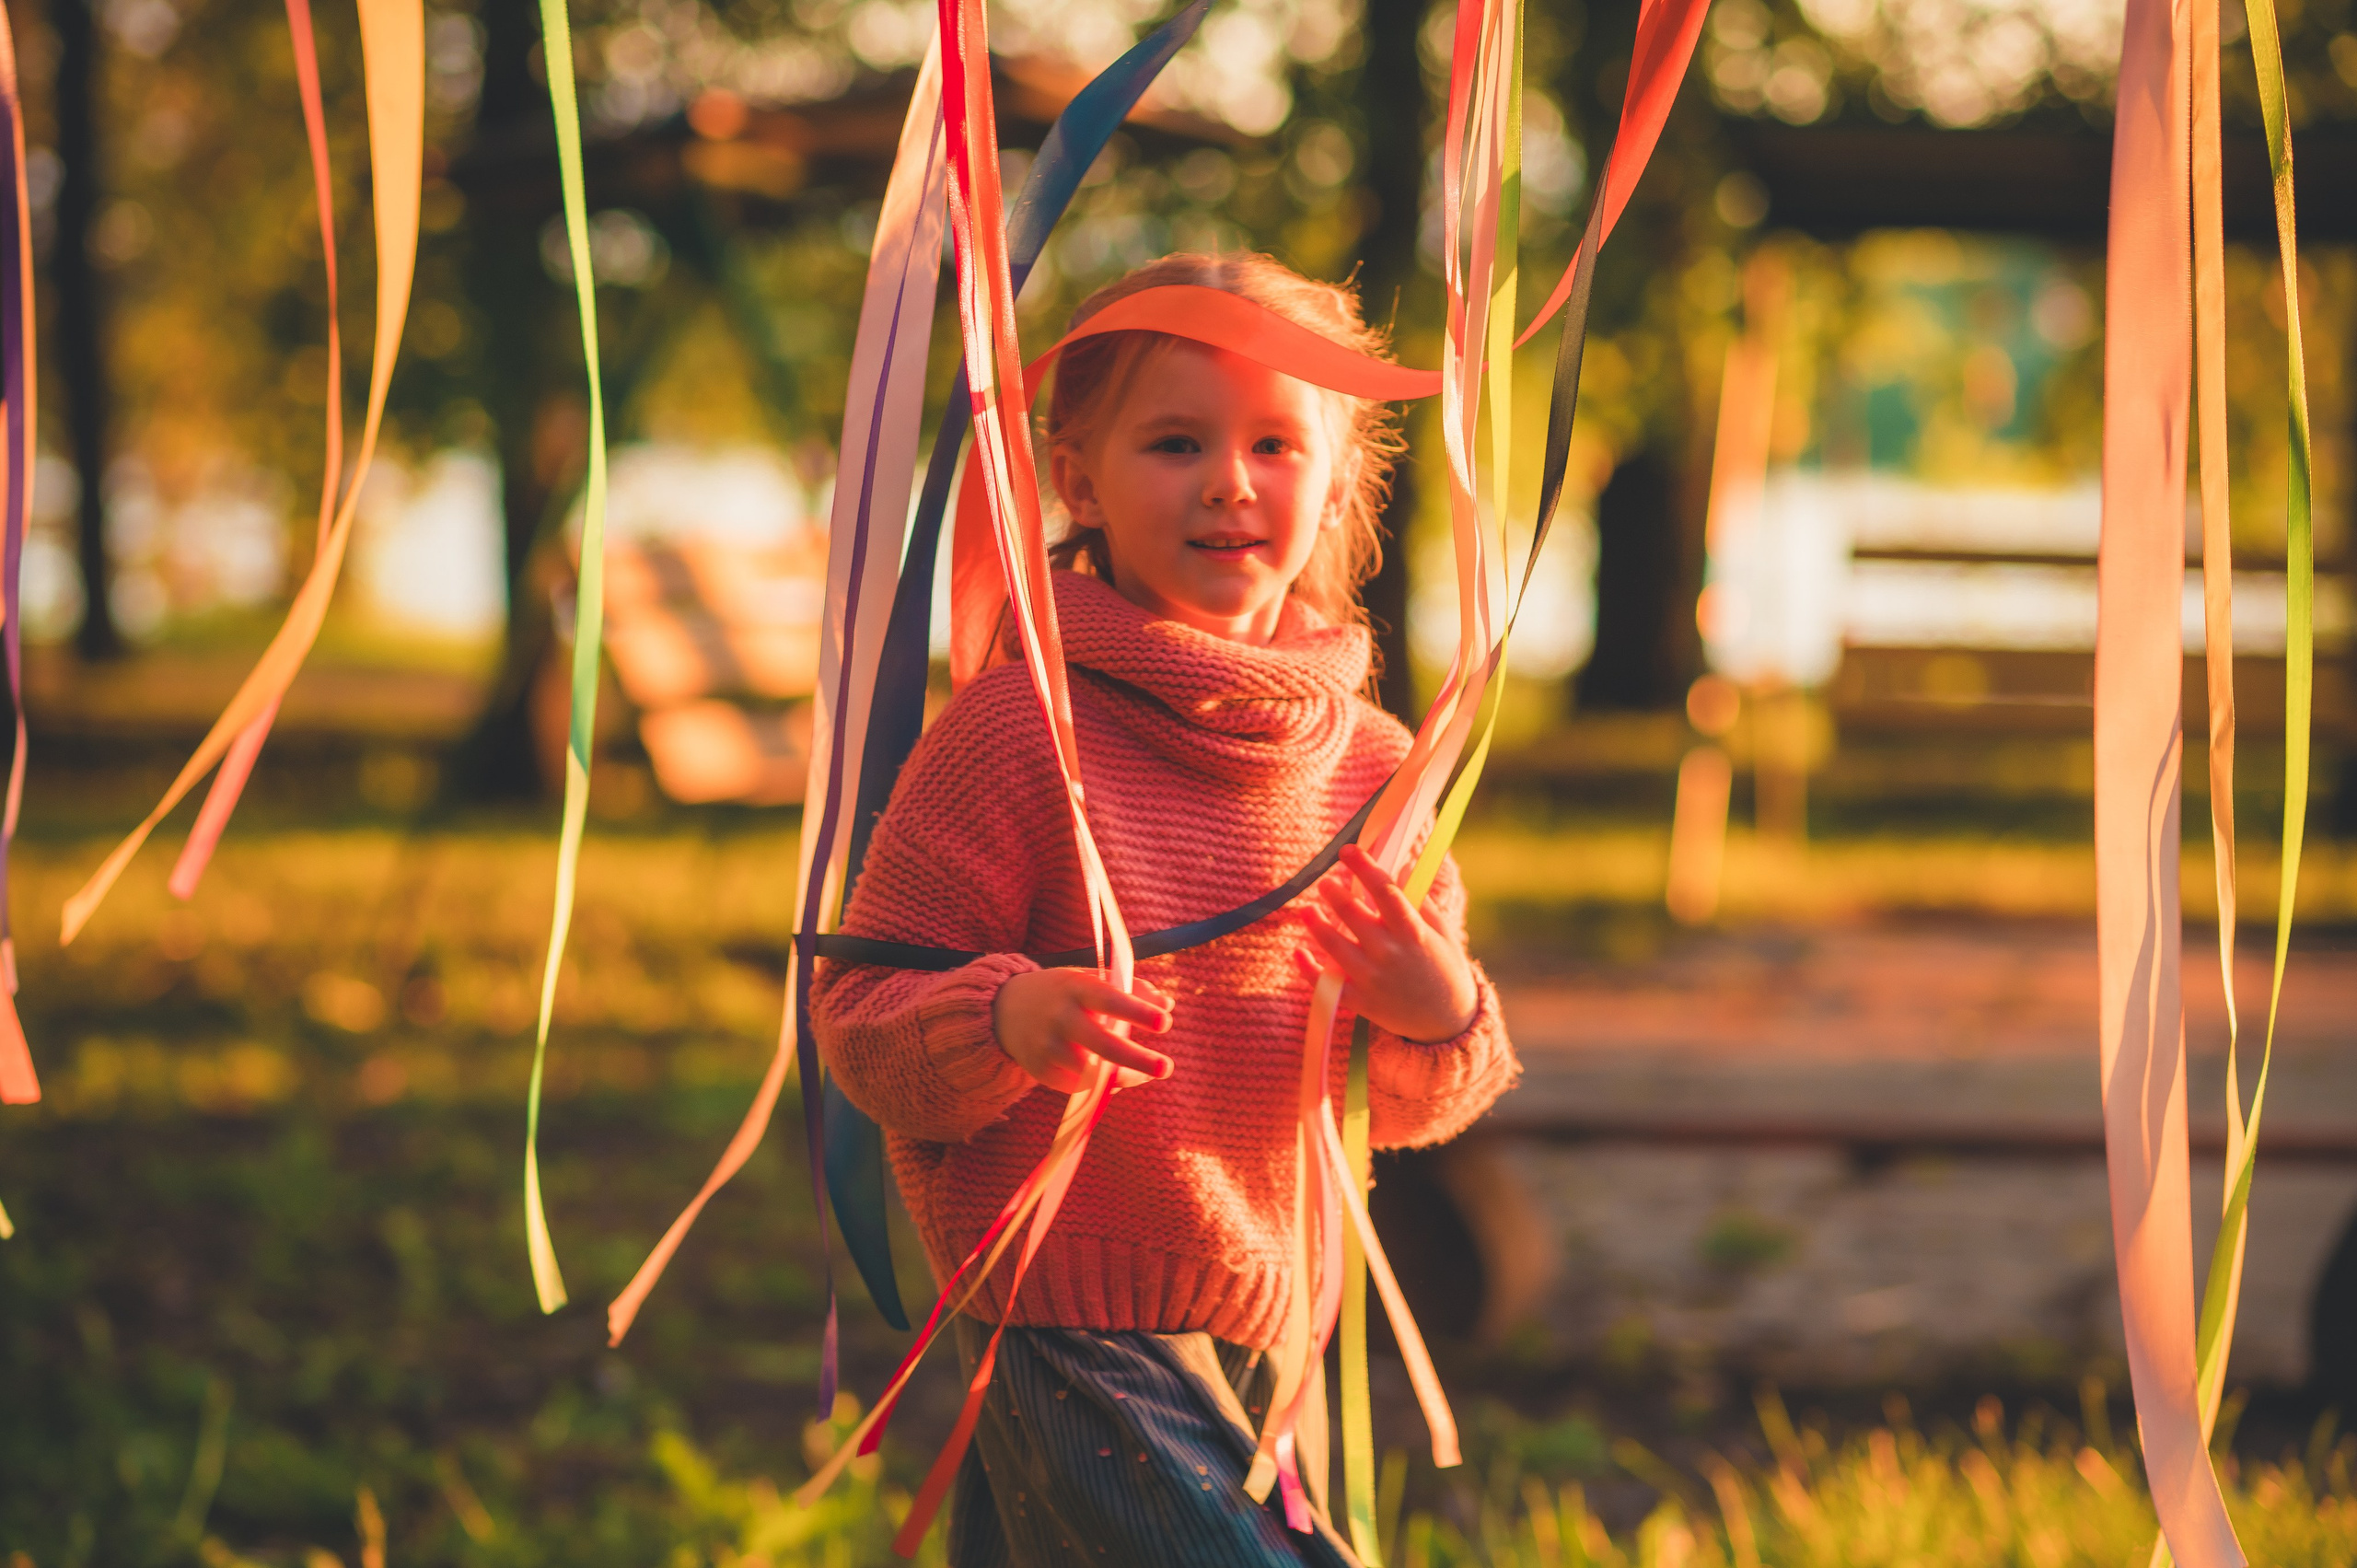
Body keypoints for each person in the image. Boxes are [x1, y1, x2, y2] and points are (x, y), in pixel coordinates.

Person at [811, 251, 1519, 1567]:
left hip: (1267, 1320)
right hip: (1059, 1308)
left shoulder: (1373, 769)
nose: (1229, 482)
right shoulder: (1020, 733)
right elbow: (860, 1014)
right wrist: (1004, 1018)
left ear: (1340, 474)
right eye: (1175, 441)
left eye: (1273, 443)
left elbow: (1415, 1102)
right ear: (1076, 474)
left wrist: (1436, 1012)